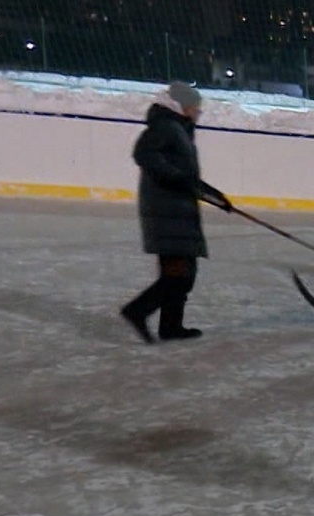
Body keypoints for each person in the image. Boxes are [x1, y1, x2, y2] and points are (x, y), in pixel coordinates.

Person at [121, 81, 232, 343]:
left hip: (178, 211)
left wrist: (216, 197)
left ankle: (171, 327)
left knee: (184, 274)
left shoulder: (179, 129)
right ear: (180, 106)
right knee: (178, 275)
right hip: (166, 211)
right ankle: (137, 311)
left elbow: (187, 178)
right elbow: (144, 154)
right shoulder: (166, 126)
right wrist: (175, 178)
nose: (197, 113)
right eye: (194, 108)